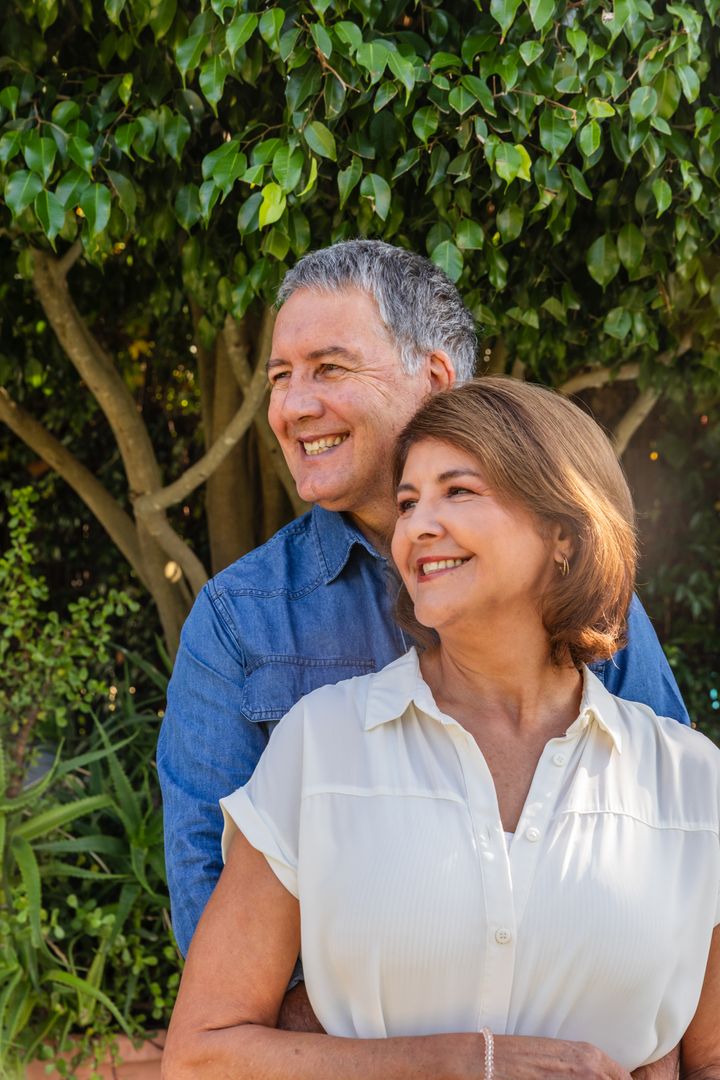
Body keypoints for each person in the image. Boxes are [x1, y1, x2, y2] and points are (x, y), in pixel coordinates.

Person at [157, 241, 689, 1027]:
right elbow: (213, 926)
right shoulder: (242, 619)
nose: (292, 406)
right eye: (280, 376)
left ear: (436, 379)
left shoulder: (572, 588)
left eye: (329, 368)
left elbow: (672, 851)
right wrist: (433, 1052)